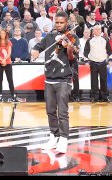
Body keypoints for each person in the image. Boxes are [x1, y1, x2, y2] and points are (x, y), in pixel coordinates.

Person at [31, 11, 78, 154]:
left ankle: (63, 139)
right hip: (49, 79)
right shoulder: (50, 36)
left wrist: (68, 47)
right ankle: (54, 136)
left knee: (62, 112)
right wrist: (35, 50)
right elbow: (39, 46)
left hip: (64, 79)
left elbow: (72, 58)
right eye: (56, 22)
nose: (58, 25)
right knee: (50, 111)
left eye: (61, 22)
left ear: (66, 23)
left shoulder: (72, 37)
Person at [84, 24, 112, 102]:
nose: (97, 31)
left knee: (103, 80)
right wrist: (86, 61)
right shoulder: (90, 40)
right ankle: (94, 97)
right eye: (95, 29)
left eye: (99, 29)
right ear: (93, 31)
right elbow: (85, 52)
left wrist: (110, 60)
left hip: (102, 63)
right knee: (94, 81)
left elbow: (110, 51)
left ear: (101, 31)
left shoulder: (105, 39)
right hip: (93, 63)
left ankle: (105, 96)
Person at [0, 28, 20, 103]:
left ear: (6, 34)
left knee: (10, 79)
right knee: (0, 80)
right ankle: (0, 96)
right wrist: (1, 60)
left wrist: (5, 60)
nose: (2, 35)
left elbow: (9, 53)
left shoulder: (8, 42)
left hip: (7, 62)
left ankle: (13, 96)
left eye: (4, 33)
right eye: (1, 33)